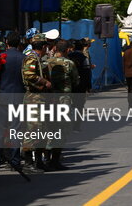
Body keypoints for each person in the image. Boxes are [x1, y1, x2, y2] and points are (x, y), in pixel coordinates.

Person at [0, 32, 25, 172]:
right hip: (18, 97)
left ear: (7, 42)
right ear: (19, 43)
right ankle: (15, 161)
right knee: (15, 130)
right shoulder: (24, 58)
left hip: (2, 96)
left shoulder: (1, 57)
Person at [21, 33, 52, 173]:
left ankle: (39, 161)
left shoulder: (38, 58)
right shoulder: (31, 58)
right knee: (33, 130)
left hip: (41, 99)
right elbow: (29, 75)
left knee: (42, 130)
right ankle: (28, 163)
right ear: (44, 46)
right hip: (34, 99)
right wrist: (44, 82)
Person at [46, 39, 79, 170]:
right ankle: (55, 160)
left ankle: (45, 158)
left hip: (49, 99)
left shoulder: (46, 62)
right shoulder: (69, 63)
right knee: (61, 130)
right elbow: (76, 81)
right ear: (66, 50)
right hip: (64, 99)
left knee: (49, 128)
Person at [68, 39, 92, 131]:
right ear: (82, 48)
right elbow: (87, 73)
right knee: (79, 106)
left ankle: (67, 124)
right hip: (81, 86)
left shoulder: (68, 56)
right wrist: (88, 87)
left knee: (69, 105)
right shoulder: (84, 58)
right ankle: (76, 126)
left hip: (69, 85)